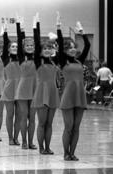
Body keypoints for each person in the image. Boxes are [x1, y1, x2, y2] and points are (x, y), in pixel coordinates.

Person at [58, 16, 91, 161]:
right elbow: (59, 44)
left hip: (80, 95)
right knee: (69, 126)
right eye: (69, 48)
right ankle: (66, 153)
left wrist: (82, 33)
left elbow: (88, 46)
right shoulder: (62, 60)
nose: (72, 49)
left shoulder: (80, 60)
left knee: (76, 127)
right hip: (68, 96)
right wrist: (58, 26)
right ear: (65, 50)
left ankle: (72, 153)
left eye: (73, 47)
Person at [32, 14, 60, 155]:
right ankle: (41, 148)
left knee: (49, 123)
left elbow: (59, 44)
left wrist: (58, 28)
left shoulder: (55, 61)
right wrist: (36, 25)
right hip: (41, 93)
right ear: (41, 51)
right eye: (45, 48)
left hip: (53, 92)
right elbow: (37, 44)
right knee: (42, 123)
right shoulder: (38, 61)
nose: (47, 50)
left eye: (50, 48)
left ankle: (48, 147)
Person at [15, 17, 37, 149]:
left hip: (35, 89)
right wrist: (20, 27)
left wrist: (35, 27)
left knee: (33, 118)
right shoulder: (21, 57)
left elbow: (38, 42)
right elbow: (19, 39)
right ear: (23, 47)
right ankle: (23, 141)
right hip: (23, 89)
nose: (29, 47)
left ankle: (31, 141)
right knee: (24, 116)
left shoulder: (38, 58)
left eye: (32, 45)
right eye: (27, 45)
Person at [0, 20, 21, 146]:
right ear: (8, 49)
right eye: (12, 47)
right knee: (10, 115)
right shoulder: (6, 59)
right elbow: (5, 43)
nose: (15, 48)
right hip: (9, 88)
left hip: (20, 88)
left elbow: (21, 38)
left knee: (19, 115)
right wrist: (6, 30)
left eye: (16, 47)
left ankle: (16, 137)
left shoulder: (22, 58)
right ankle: (10, 138)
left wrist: (20, 27)